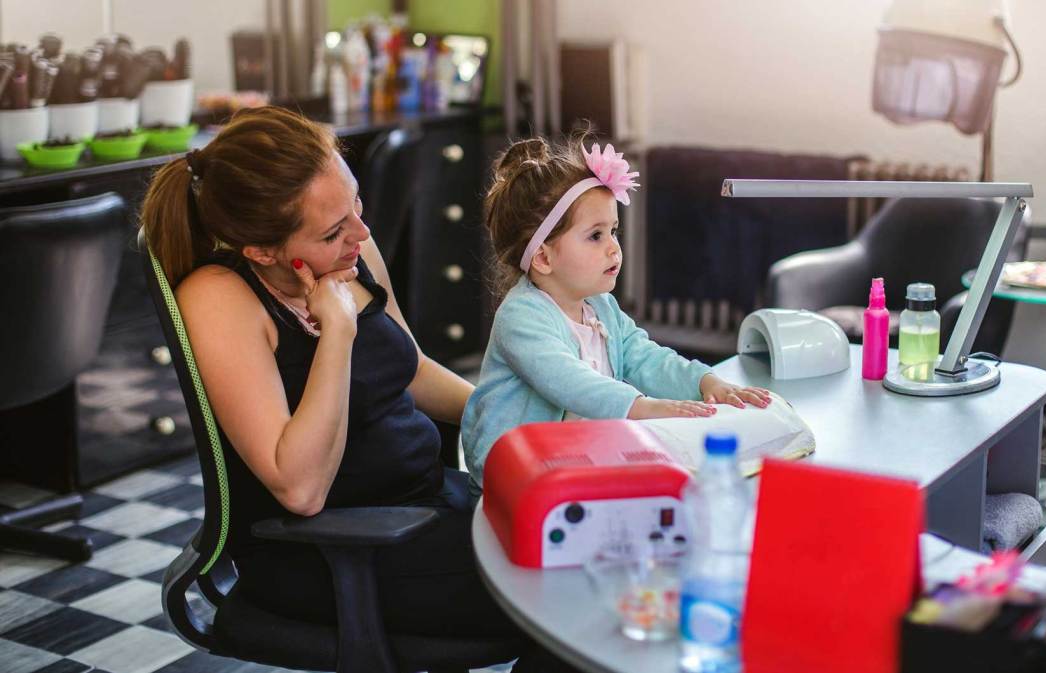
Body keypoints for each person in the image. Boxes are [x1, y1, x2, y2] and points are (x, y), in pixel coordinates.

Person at [141, 105, 576, 671]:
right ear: (262, 251)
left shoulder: (352, 251)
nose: (362, 233)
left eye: (357, 205)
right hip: (337, 551)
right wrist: (337, 332)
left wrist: (524, 423)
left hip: (428, 505)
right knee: (578, 591)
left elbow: (410, 369)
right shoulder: (221, 298)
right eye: (332, 230)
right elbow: (301, 490)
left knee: (604, 541)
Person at [462, 131, 772, 492]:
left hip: (573, 457)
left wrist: (704, 382)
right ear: (543, 257)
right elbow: (569, 381)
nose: (614, 249)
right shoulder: (522, 317)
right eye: (596, 236)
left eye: (614, 231)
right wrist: (643, 407)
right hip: (512, 476)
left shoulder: (600, 306)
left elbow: (644, 357)